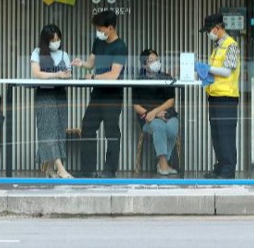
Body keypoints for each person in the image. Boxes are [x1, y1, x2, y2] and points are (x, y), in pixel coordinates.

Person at [71, 10, 127, 178]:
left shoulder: (120, 46)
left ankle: (109, 171)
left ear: (110, 28)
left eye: (100, 28)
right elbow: (90, 63)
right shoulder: (98, 41)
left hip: (112, 96)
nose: (98, 31)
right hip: (97, 95)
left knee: (111, 132)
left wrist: (93, 76)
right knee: (87, 128)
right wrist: (81, 64)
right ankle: (87, 170)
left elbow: (114, 75)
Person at [197, 13, 241, 179]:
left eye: (209, 30)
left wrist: (206, 68)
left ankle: (228, 170)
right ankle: (221, 166)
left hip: (226, 98)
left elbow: (227, 70)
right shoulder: (218, 47)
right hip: (214, 96)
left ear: (217, 27)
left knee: (226, 134)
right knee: (217, 135)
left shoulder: (231, 45)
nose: (209, 34)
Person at [30, 24, 73, 179]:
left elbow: (68, 73)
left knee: (58, 130)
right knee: (48, 130)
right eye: (53, 39)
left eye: (58, 39)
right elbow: (36, 73)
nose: (56, 42)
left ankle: (49, 169)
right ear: (46, 40)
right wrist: (57, 75)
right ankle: (60, 169)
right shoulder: (37, 53)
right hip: (44, 94)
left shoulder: (64, 54)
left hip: (60, 94)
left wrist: (66, 75)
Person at [132, 48, 179, 175]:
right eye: (151, 61)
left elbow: (170, 101)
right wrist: (152, 114)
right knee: (159, 126)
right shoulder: (138, 81)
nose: (155, 63)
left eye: (157, 60)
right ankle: (164, 165)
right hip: (148, 119)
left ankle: (162, 163)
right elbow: (136, 106)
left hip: (166, 115)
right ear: (144, 64)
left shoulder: (166, 77)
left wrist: (156, 112)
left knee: (172, 127)